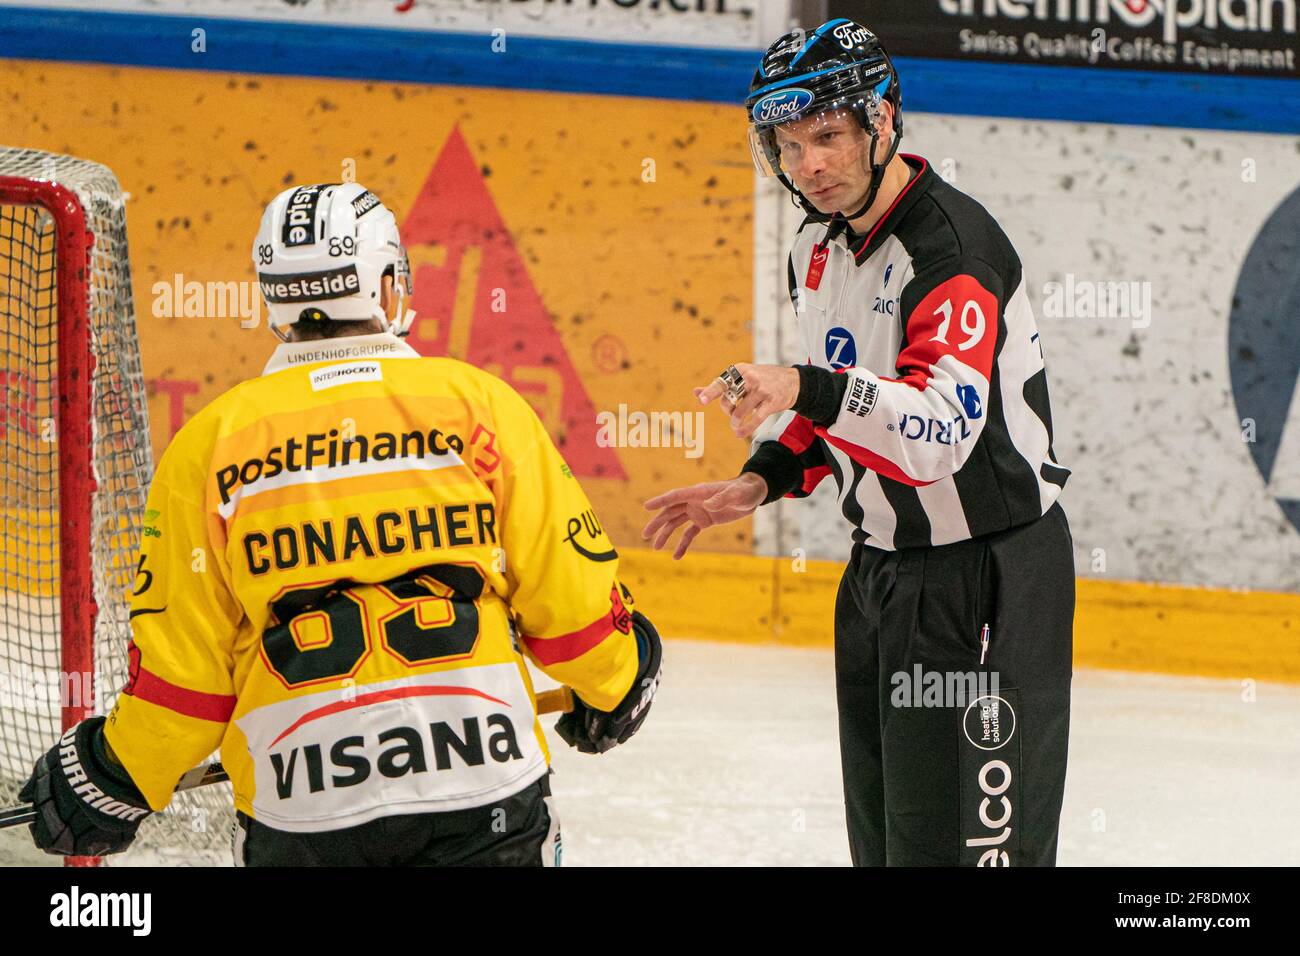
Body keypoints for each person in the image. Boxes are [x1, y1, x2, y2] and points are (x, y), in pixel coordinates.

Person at [20, 181, 661, 866]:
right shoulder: (481, 408)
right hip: (484, 793)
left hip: (305, 815)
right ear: (386, 285)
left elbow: (187, 687)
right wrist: (620, 681)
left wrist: (113, 774)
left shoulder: (212, 443)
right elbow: (577, 620)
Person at [643, 19, 1073, 866]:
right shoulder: (819, 242)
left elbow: (935, 433)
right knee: (889, 842)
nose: (809, 164)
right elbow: (847, 398)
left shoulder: (948, 251)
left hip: (981, 576)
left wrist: (803, 385)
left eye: (829, 136)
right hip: (883, 573)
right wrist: (762, 479)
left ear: (882, 120)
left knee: (974, 850)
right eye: (790, 143)